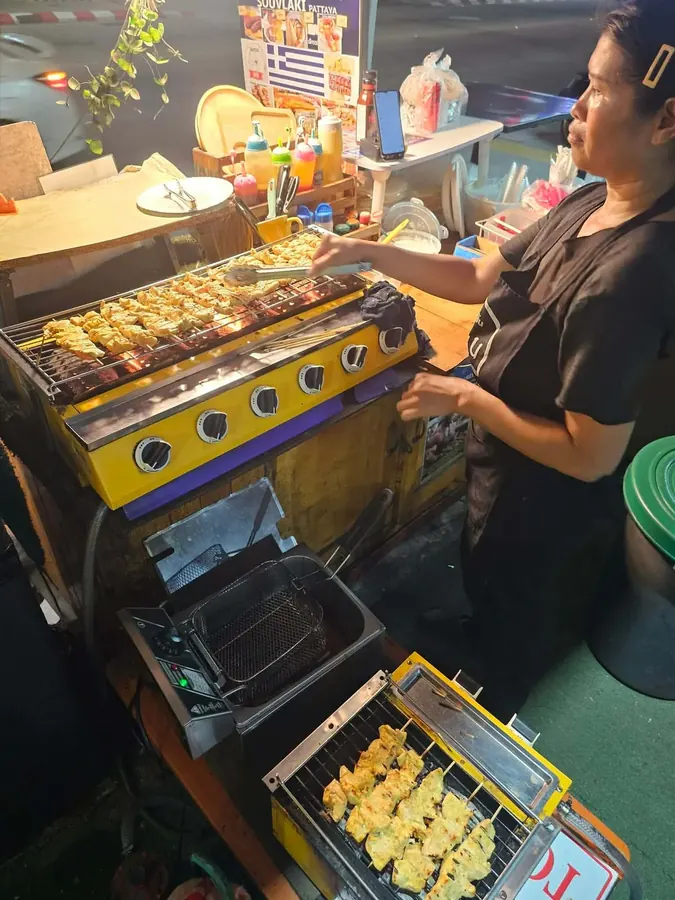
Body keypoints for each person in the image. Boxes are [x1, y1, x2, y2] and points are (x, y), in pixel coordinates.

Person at [312, 0, 675, 721]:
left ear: (665, 121)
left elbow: (591, 457)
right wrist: (372, 252)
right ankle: (477, 637)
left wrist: (467, 399)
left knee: (515, 632)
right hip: (507, 480)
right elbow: (479, 275)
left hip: (550, 515)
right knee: (485, 583)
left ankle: (491, 705)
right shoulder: (592, 202)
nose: (577, 105)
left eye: (598, 89)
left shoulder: (633, 271)